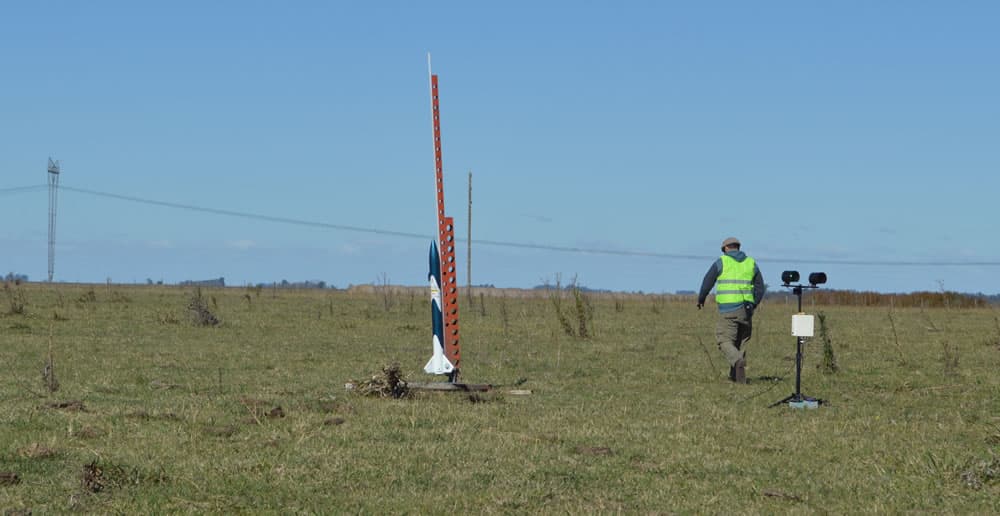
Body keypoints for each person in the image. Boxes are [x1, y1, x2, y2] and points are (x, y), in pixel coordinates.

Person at [697, 237, 765, 383]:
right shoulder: (751, 263)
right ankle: (736, 377)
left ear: (726, 248)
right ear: (738, 247)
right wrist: (753, 304)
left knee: (724, 341)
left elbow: (707, 281)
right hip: (746, 310)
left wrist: (701, 298)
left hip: (728, 310)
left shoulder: (722, 261)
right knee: (739, 343)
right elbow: (760, 287)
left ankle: (738, 361)